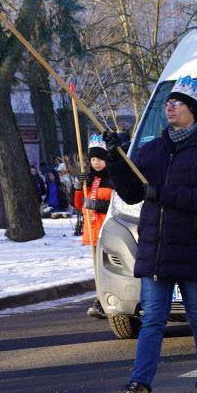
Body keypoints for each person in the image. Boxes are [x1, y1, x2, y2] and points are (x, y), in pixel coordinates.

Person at [105, 75, 197, 393]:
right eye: (168, 102)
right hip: (156, 250)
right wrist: (116, 159)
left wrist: (161, 193)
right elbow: (132, 192)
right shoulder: (152, 149)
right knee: (152, 321)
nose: (169, 106)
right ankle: (138, 389)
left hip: (191, 246)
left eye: (177, 102)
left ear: (193, 110)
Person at [74, 136, 115, 319]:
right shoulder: (87, 178)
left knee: (108, 268)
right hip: (92, 230)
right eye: (92, 159)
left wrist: (97, 206)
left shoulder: (114, 177)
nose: (96, 163)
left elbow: (120, 204)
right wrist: (76, 186)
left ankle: (103, 302)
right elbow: (77, 204)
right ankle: (100, 302)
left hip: (110, 231)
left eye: (100, 159)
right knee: (98, 269)